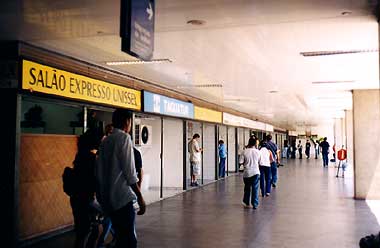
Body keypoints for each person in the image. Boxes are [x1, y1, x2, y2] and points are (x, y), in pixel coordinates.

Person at [95, 109, 146, 248]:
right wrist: (140, 197)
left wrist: (101, 197)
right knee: (129, 241)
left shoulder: (105, 142)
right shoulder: (123, 138)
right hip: (122, 200)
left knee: (120, 238)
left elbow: (99, 173)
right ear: (127, 122)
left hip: (109, 201)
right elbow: (130, 172)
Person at [70, 128, 103, 248]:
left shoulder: (80, 156)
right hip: (87, 199)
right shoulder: (92, 158)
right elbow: (97, 179)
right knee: (91, 231)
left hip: (77, 198)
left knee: (84, 232)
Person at [239, 137, 261, 209]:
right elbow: (260, 162)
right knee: (255, 188)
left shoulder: (244, 151)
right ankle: (255, 204)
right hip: (255, 172)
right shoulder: (258, 152)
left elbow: (240, 162)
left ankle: (246, 202)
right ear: (255, 144)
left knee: (247, 187)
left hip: (247, 172)